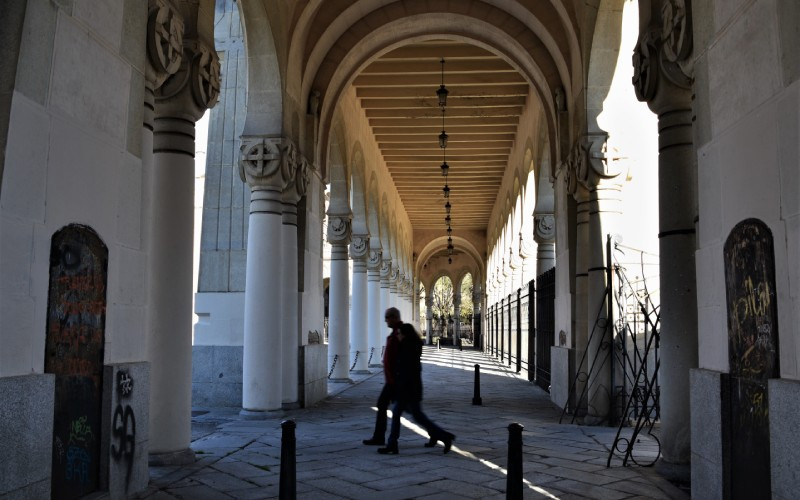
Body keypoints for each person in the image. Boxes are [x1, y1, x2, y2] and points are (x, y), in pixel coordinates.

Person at [378, 313, 455, 455]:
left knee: (402, 414)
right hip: (410, 389)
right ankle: (441, 436)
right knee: (417, 416)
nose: (398, 336)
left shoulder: (407, 350)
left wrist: (398, 388)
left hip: (407, 389)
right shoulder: (410, 346)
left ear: (405, 335)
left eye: (400, 334)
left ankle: (393, 444)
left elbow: (406, 372)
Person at [361, 307, 402, 446]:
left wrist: (396, 377)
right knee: (409, 411)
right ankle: (381, 437)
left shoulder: (400, 334)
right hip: (393, 380)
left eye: (388, 317)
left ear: (395, 317)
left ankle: (382, 438)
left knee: (413, 413)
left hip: (396, 380)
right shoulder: (396, 333)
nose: (386, 320)